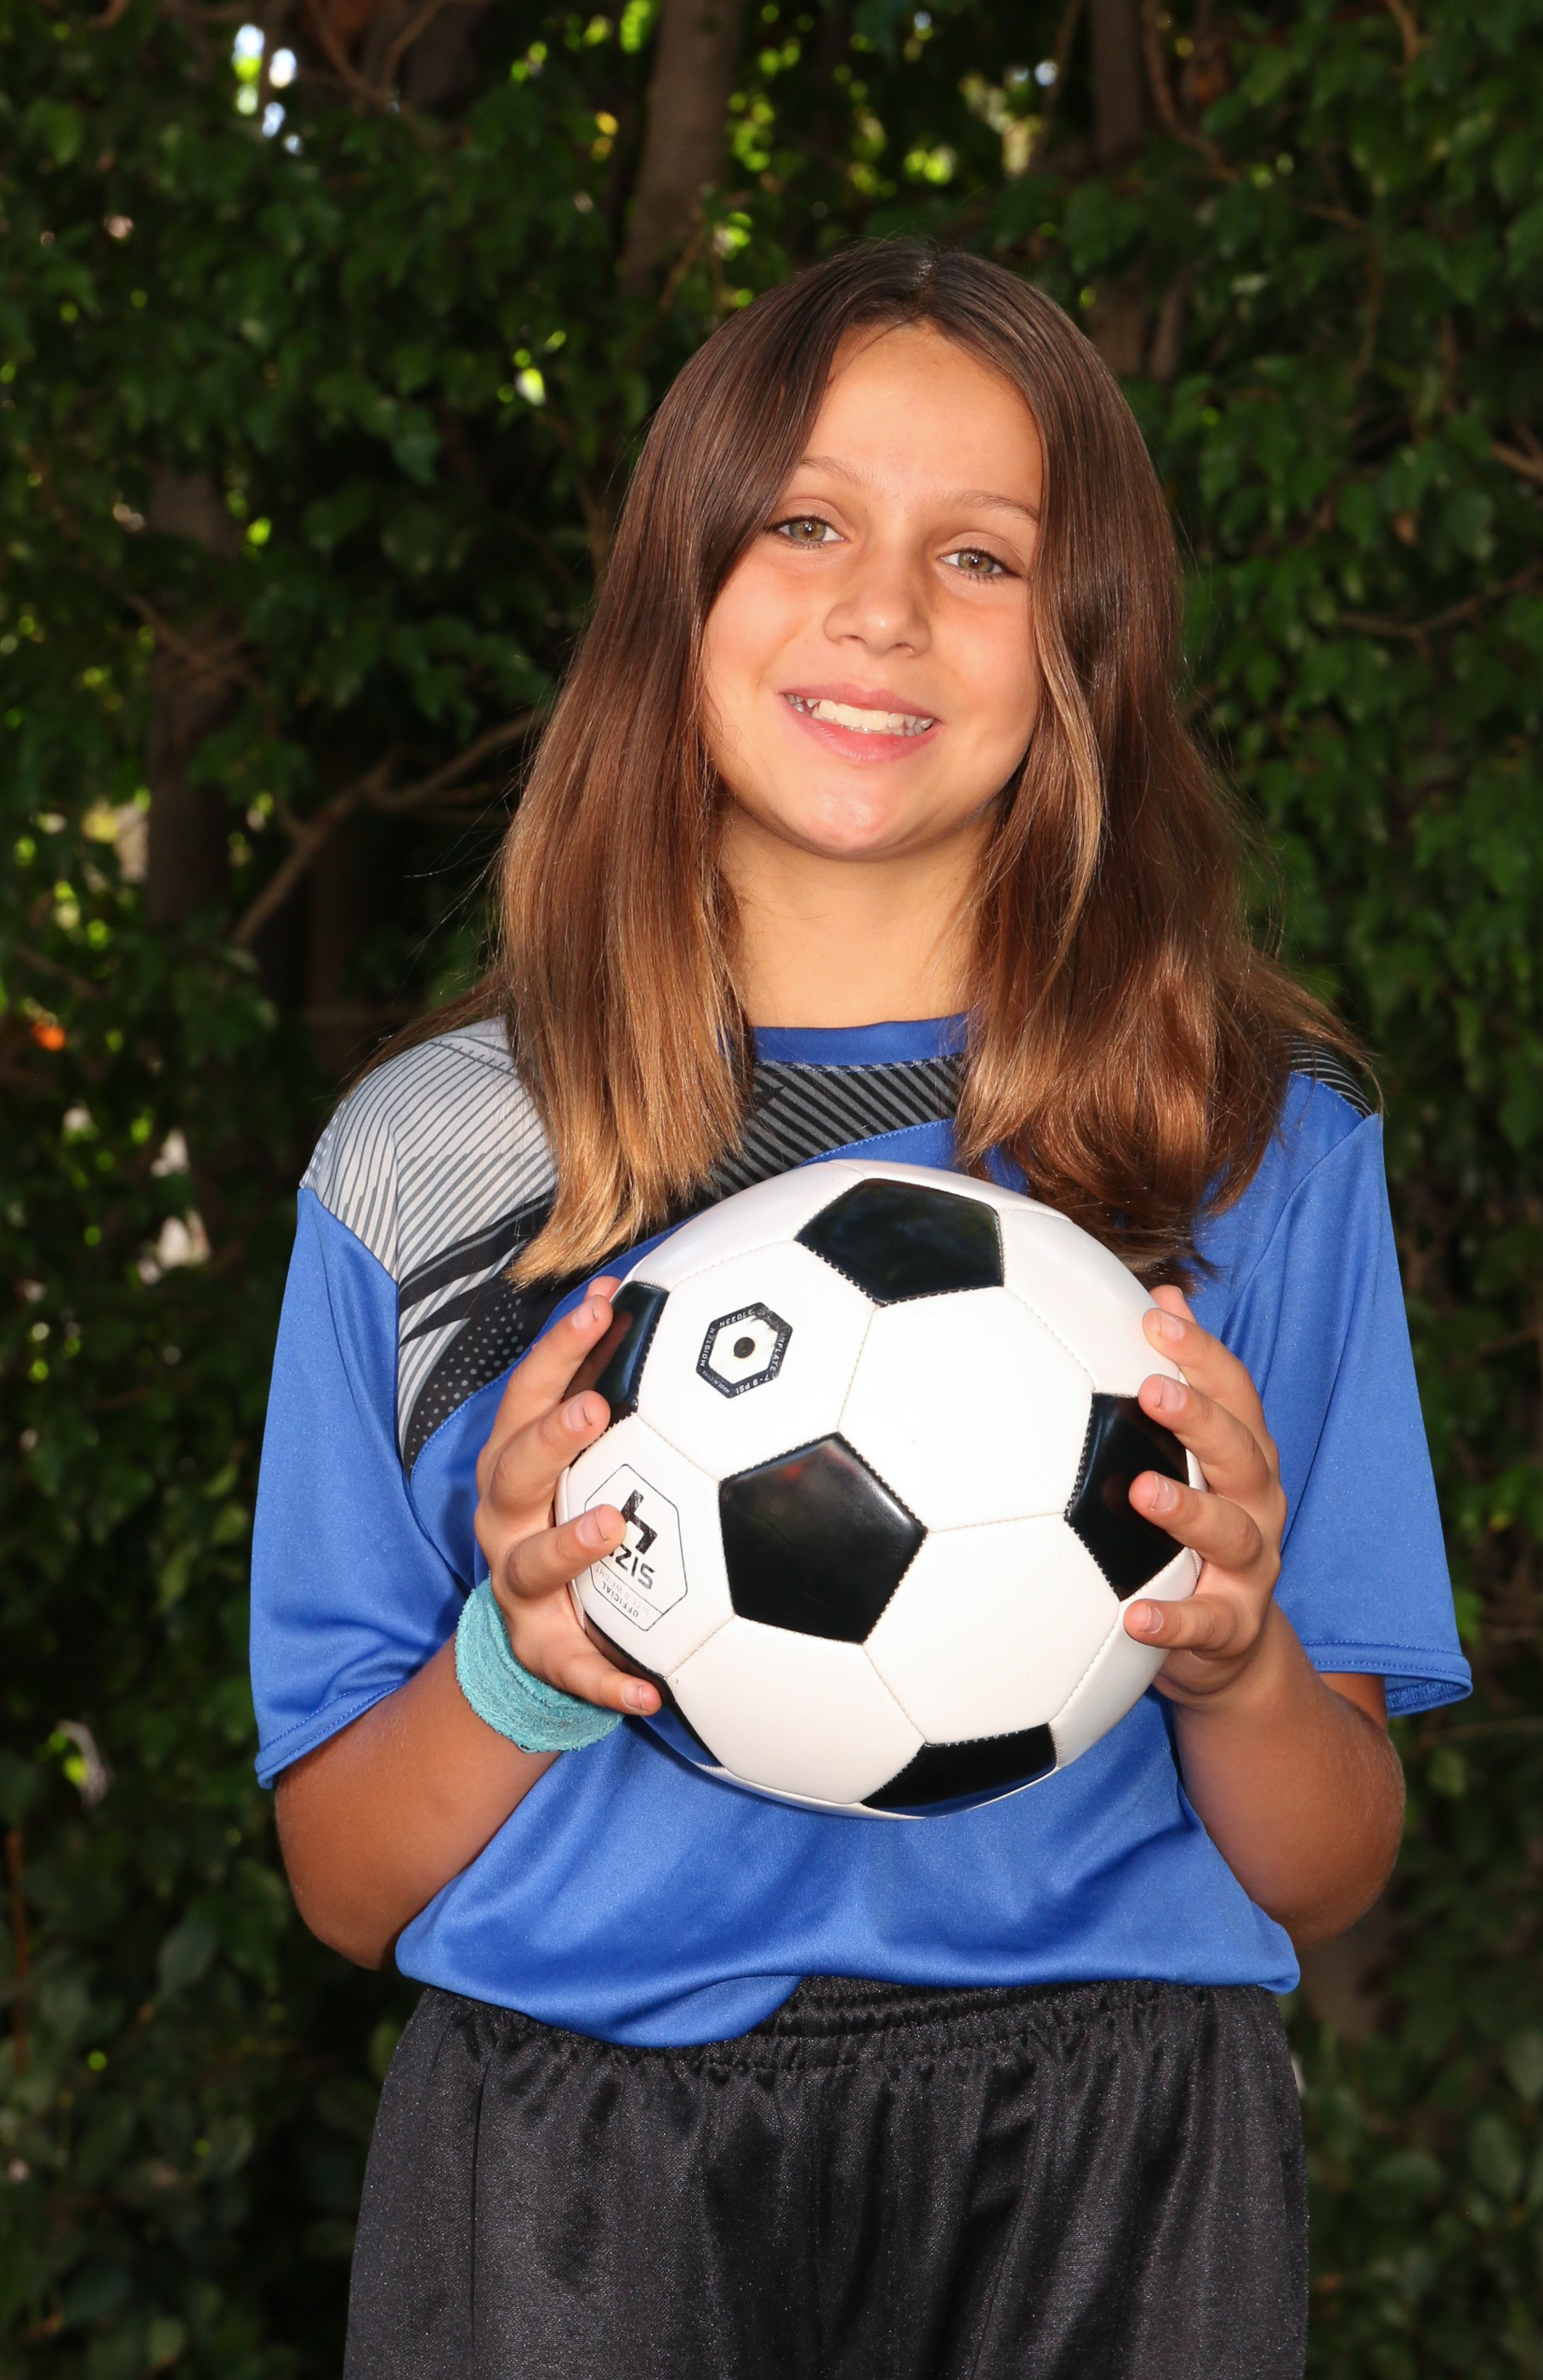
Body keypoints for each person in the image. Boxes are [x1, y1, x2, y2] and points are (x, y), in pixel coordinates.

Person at [251, 241, 1469, 2380]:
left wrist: (1240, 1655)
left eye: (979, 554)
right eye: (805, 522)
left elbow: (1328, 1858)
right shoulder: (434, 1161)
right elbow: (346, 1880)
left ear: (1083, 644)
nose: (882, 608)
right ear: (679, 586)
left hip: (1110, 2149)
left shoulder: (1242, 1145)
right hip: (577, 2160)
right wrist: (519, 1662)